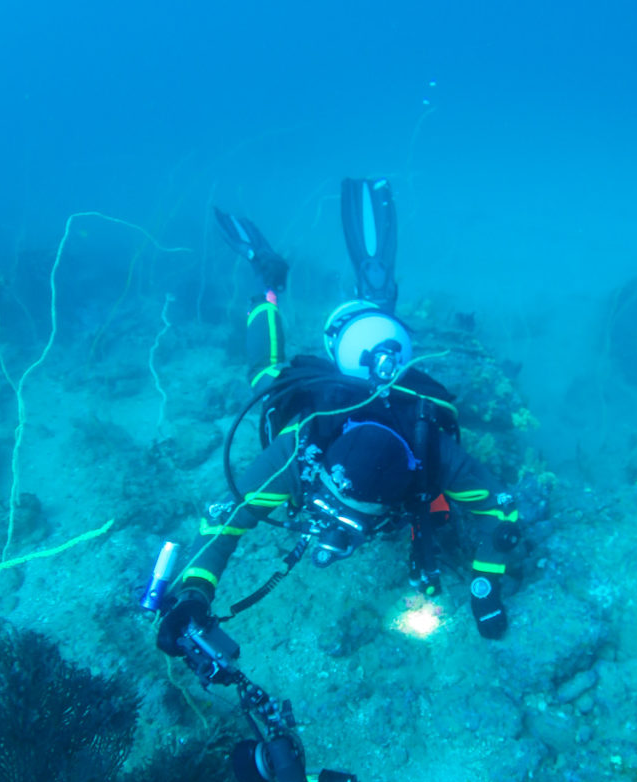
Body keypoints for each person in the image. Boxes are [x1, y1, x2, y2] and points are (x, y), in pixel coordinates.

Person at [158, 178, 520, 657]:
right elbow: (225, 521)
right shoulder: (300, 445)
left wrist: (485, 588)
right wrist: (192, 594)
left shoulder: (432, 450)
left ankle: (372, 301)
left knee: (308, 369)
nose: (339, 529)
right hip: (343, 381)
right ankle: (267, 282)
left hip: (378, 368)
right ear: (315, 468)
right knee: (268, 379)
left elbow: (503, 513)